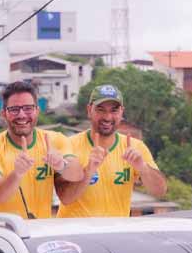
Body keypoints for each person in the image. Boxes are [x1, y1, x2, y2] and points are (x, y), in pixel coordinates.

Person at [57, 84, 168, 217]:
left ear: (122, 112)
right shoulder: (68, 145)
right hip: (77, 234)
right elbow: (65, 198)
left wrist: (142, 167)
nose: (107, 117)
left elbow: (160, 191)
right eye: (101, 110)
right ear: (89, 110)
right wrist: (88, 171)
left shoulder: (135, 147)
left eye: (114, 110)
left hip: (114, 233)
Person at [0, 81, 83, 219]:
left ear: (37, 111)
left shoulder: (55, 140)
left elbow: (77, 174)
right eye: (14, 109)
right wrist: (17, 174)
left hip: (39, 232)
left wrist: (61, 165)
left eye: (28, 108)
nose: (22, 115)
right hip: (3, 233)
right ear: (4, 113)